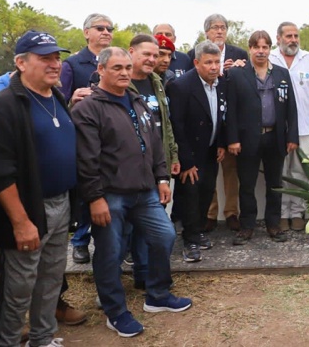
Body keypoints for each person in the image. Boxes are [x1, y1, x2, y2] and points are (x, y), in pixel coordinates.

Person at [73, 47, 191, 338]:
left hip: (145, 191)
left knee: (165, 236)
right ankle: (115, 311)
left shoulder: (137, 100)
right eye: (117, 68)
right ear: (101, 70)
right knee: (110, 253)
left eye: (127, 67)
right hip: (109, 196)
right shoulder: (88, 108)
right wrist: (94, 198)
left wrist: (162, 178)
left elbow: (153, 143)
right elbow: (86, 160)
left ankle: (158, 295)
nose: (125, 73)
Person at [0, 31, 77, 346]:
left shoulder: (56, 97)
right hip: (27, 210)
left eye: (57, 57)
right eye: (45, 57)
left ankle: (43, 338)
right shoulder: (4, 105)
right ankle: (6, 342)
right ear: (21, 62)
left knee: (51, 280)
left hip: (61, 205)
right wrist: (21, 222)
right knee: (18, 287)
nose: (55, 64)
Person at [225, 31, 299, 245]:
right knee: (246, 185)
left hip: (275, 138)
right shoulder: (237, 74)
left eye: (265, 47)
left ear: (270, 49)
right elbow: (231, 110)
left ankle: (273, 225)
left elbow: (291, 109)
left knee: (274, 184)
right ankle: (247, 227)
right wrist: (233, 139)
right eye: (256, 47)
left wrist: (291, 136)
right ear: (250, 49)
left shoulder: (282, 74)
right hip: (247, 140)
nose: (261, 51)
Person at [126, 34, 180, 288]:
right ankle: (112, 288)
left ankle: (147, 277)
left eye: (155, 55)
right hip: (128, 168)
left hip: (157, 164)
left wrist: (173, 154)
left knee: (157, 227)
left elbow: (165, 123)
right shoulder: (120, 83)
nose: (152, 59)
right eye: (146, 54)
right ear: (131, 52)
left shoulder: (157, 81)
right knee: (122, 233)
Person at [61, 13, 114, 265]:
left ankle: (108, 244)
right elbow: (57, 99)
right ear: (86, 32)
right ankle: (80, 241)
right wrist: (72, 98)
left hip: (111, 136)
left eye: (110, 28)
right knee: (86, 191)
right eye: (100, 28)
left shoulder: (116, 59)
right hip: (83, 137)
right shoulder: (71, 64)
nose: (106, 32)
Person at [167, 41, 227, 262]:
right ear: (196, 63)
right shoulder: (181, 86)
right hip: (190, 154)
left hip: (211, 151)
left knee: (206, 193)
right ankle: (190, 241)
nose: (214, 67)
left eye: (217, 62)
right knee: (190, 197)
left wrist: (220, 143)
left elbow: (220, 116)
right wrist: (186, 160)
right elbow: (177, 126)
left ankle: (199, 230)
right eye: (208, 62)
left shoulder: (220, 84)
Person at [269, 22, 309, 231]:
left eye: (296, 36)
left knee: (300, 172)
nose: (293, 40)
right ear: (278, 38)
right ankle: (282, 214)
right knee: (280, 172)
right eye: (288, 36)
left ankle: (297, 213)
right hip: (277, 129)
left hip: (303, 127)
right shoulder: (270, 58)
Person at [194, 14, 247, 234]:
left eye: (223, 27)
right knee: (208, 171)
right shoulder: (195, 53)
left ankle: (232, 213)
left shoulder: (240, 54)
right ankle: (209, 214)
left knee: (231, 172)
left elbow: (246, 86)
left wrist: (236, 70)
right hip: (206, 121)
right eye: (215, 28)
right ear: (206, 31)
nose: (219, 31)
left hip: (230, 120)